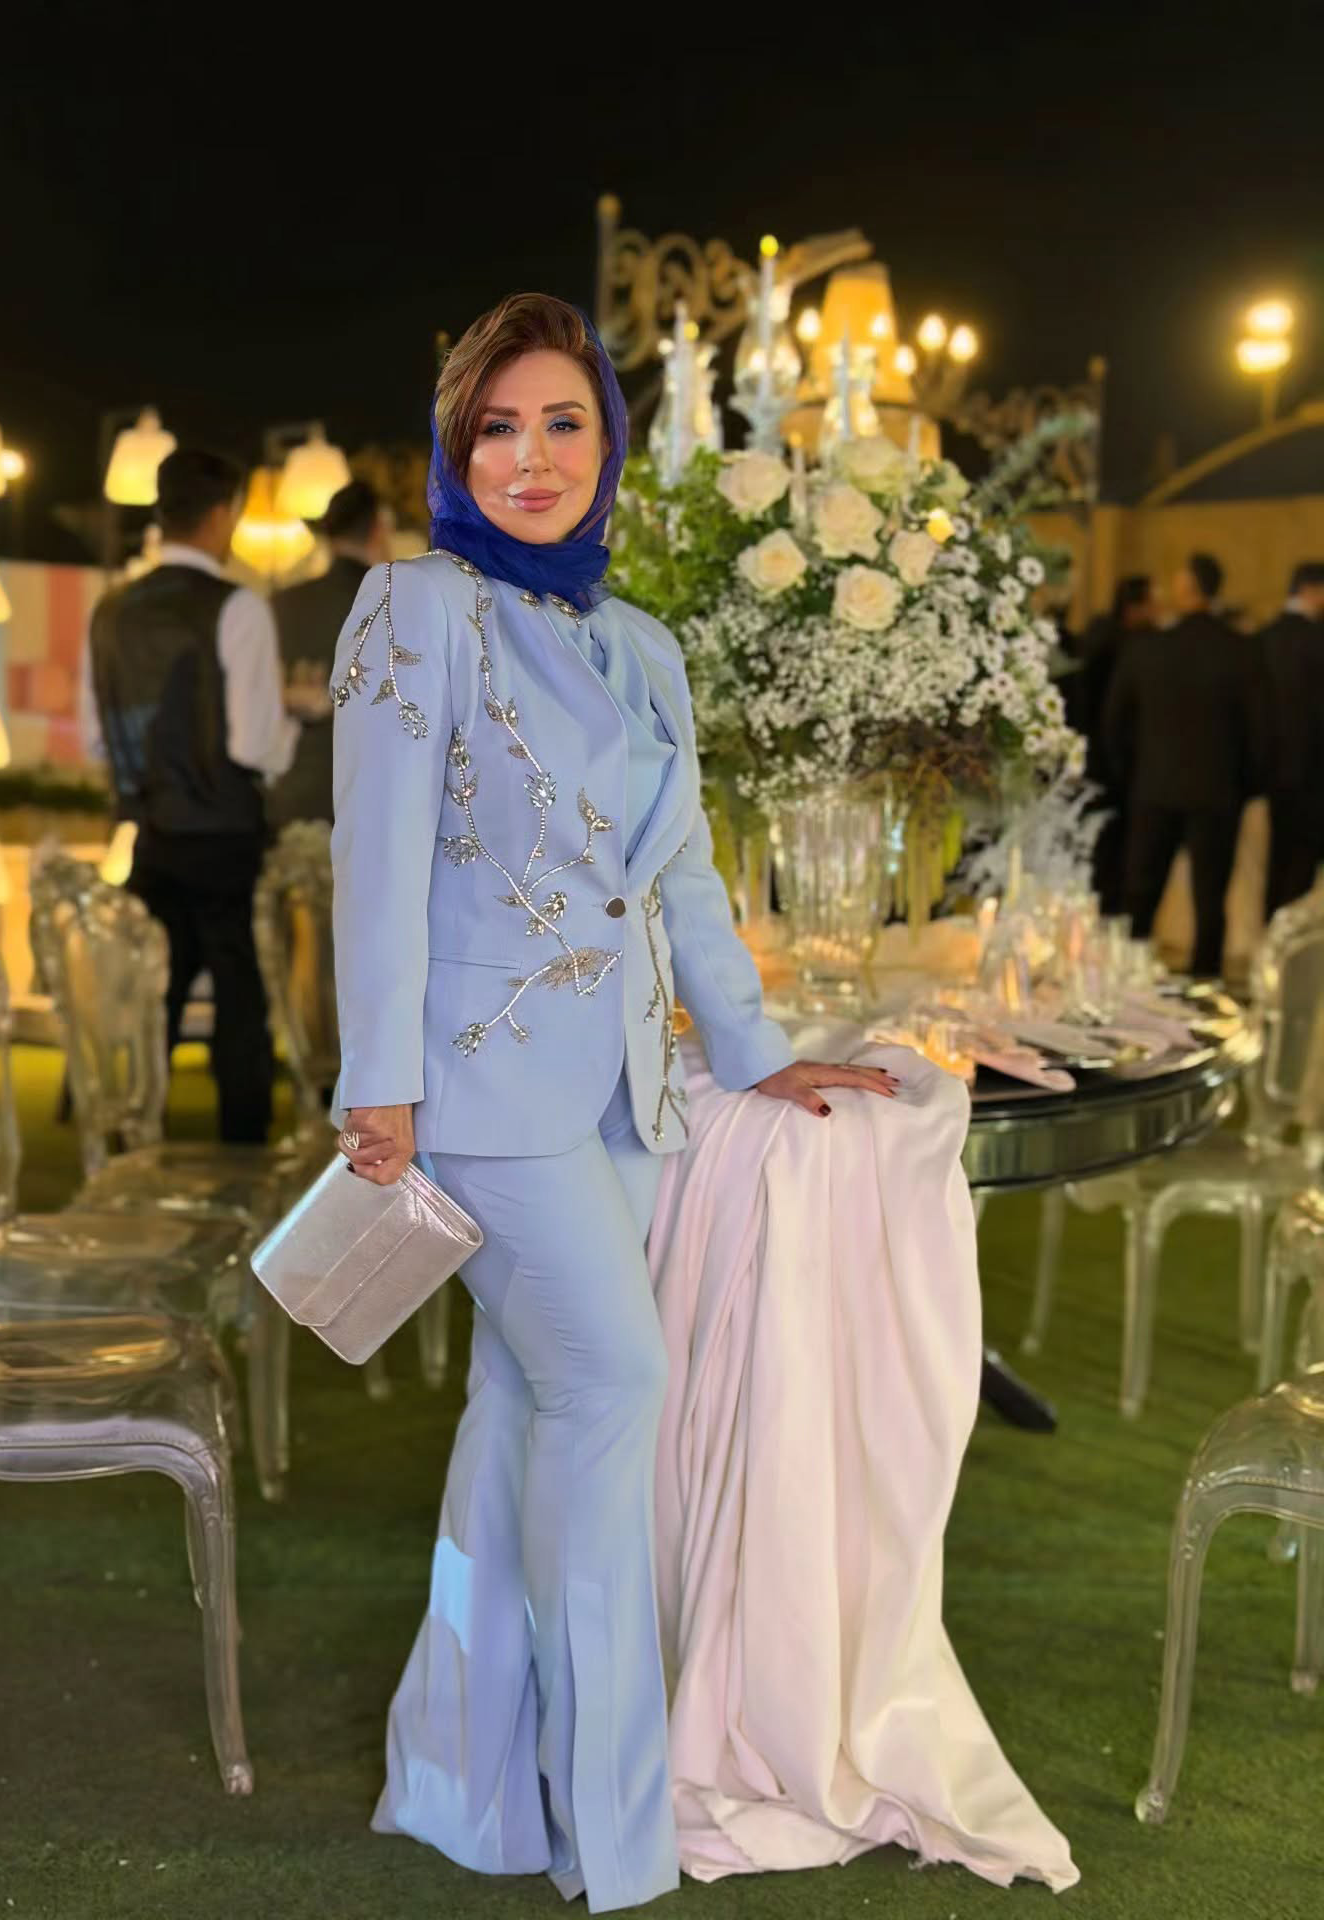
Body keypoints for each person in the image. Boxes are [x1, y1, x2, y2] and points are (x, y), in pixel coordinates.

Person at [331, 294, 899, 1913]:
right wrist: (380, 1087)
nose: (531, 457)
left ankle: (468, 1787)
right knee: (612, 1389)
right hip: (478, 1094)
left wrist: (755, 1045)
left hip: (625, 1095)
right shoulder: (414, 609)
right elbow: (375, 859)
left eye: (562, 422)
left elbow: (684, 878)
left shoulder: (641, 644)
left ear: (610, 443)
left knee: (523, 1414)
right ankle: (616, 1836)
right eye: (495, 428)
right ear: (454, 453)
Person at [81, 447, 298, 1143]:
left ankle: (129, 1134)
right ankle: (245, 1143)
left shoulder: (110, 611)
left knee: (156, 992)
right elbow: (253, 745)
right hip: (224, 833)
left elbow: (96, 737)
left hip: (150, 830)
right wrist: (294, 717)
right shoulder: (237, 606)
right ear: (223, 513)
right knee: (239, 992)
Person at [1104, 552, 1261, 975]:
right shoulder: (1240, 650)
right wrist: (1243, 786)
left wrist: (1131, 776)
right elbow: (1261, 729)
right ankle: (1205, 982)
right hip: (1217, 792)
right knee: (1210, 899)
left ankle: (1130, 974)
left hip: (1153, 788)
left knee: (1141, 892)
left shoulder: (1149, 648)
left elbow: (1114, 723)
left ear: (1184, 588)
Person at [267, 479, 394, 828]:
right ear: (379, 530)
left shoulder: (283, 603)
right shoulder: (394, 605)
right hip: (370, 799)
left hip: (290, 793)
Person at [1073, 575, 1159, 910]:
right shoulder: (1129, 647)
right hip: (1115, 763)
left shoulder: (1097, 638)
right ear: (1136, 607)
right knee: (1113, 849)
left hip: (1091, 758)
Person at [1260, 561, 1324, 914]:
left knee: (1277, 861)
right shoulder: (1318, 640)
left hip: (1271, 771)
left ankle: (1272, 933)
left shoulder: (1263, 638)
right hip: (1314, 773)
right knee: (1301, 867)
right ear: (1313, 590)